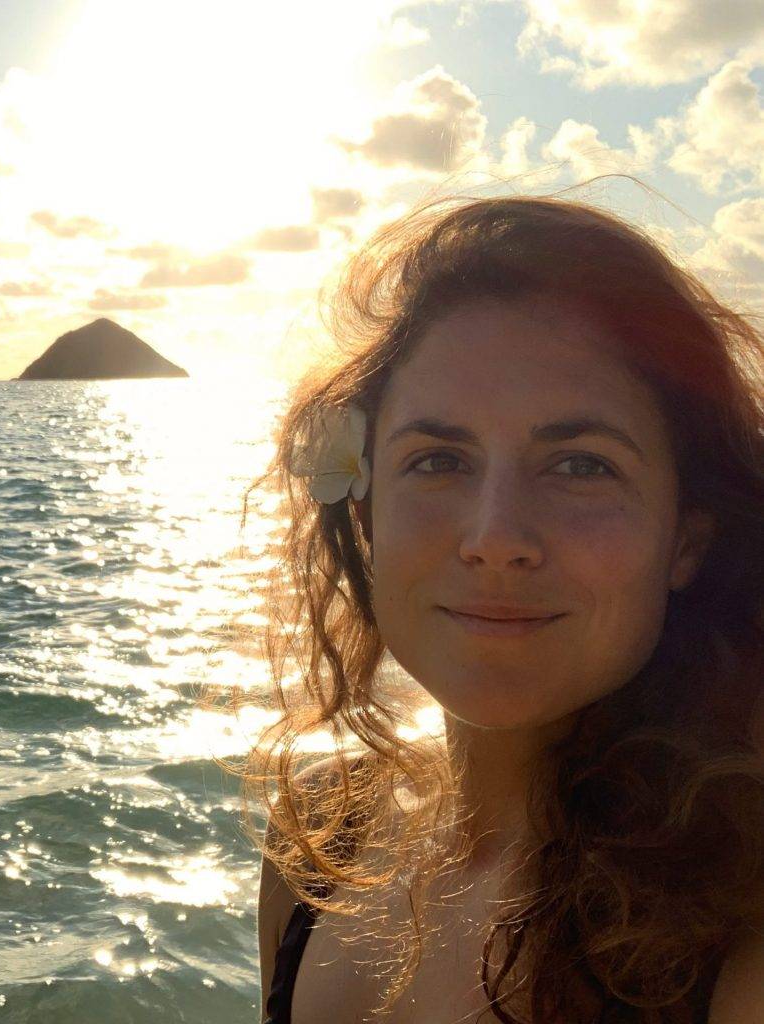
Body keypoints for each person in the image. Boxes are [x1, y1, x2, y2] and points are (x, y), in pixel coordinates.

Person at [238, 193, 764, 1023]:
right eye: (438, 459)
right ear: (366, 514)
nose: (494, 538)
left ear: (684, 541)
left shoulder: (736, 937)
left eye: (580, 465)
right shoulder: (319, 840)